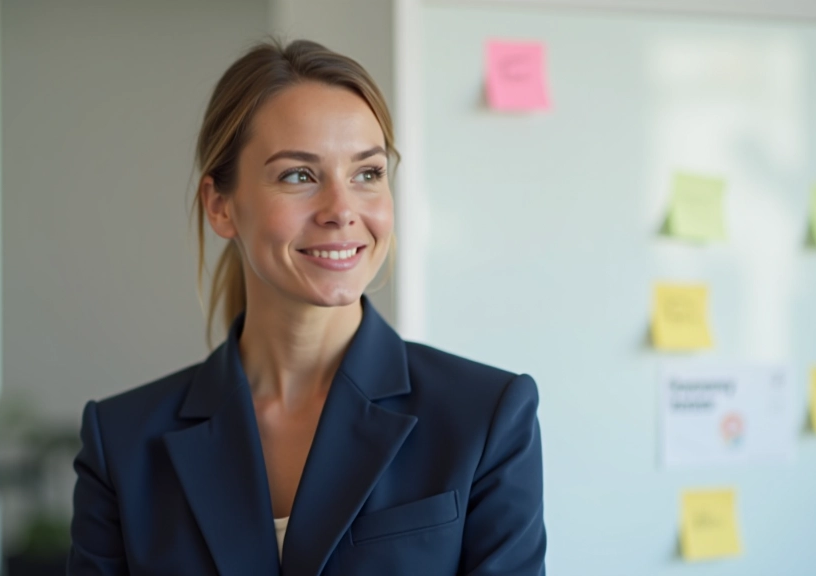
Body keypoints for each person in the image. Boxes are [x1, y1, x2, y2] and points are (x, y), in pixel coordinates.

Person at [68, 39, 545, 576]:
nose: (342, 210)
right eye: (298, 175)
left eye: (367, 173)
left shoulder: (486, 417)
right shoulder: (122, 441)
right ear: (221, 206)